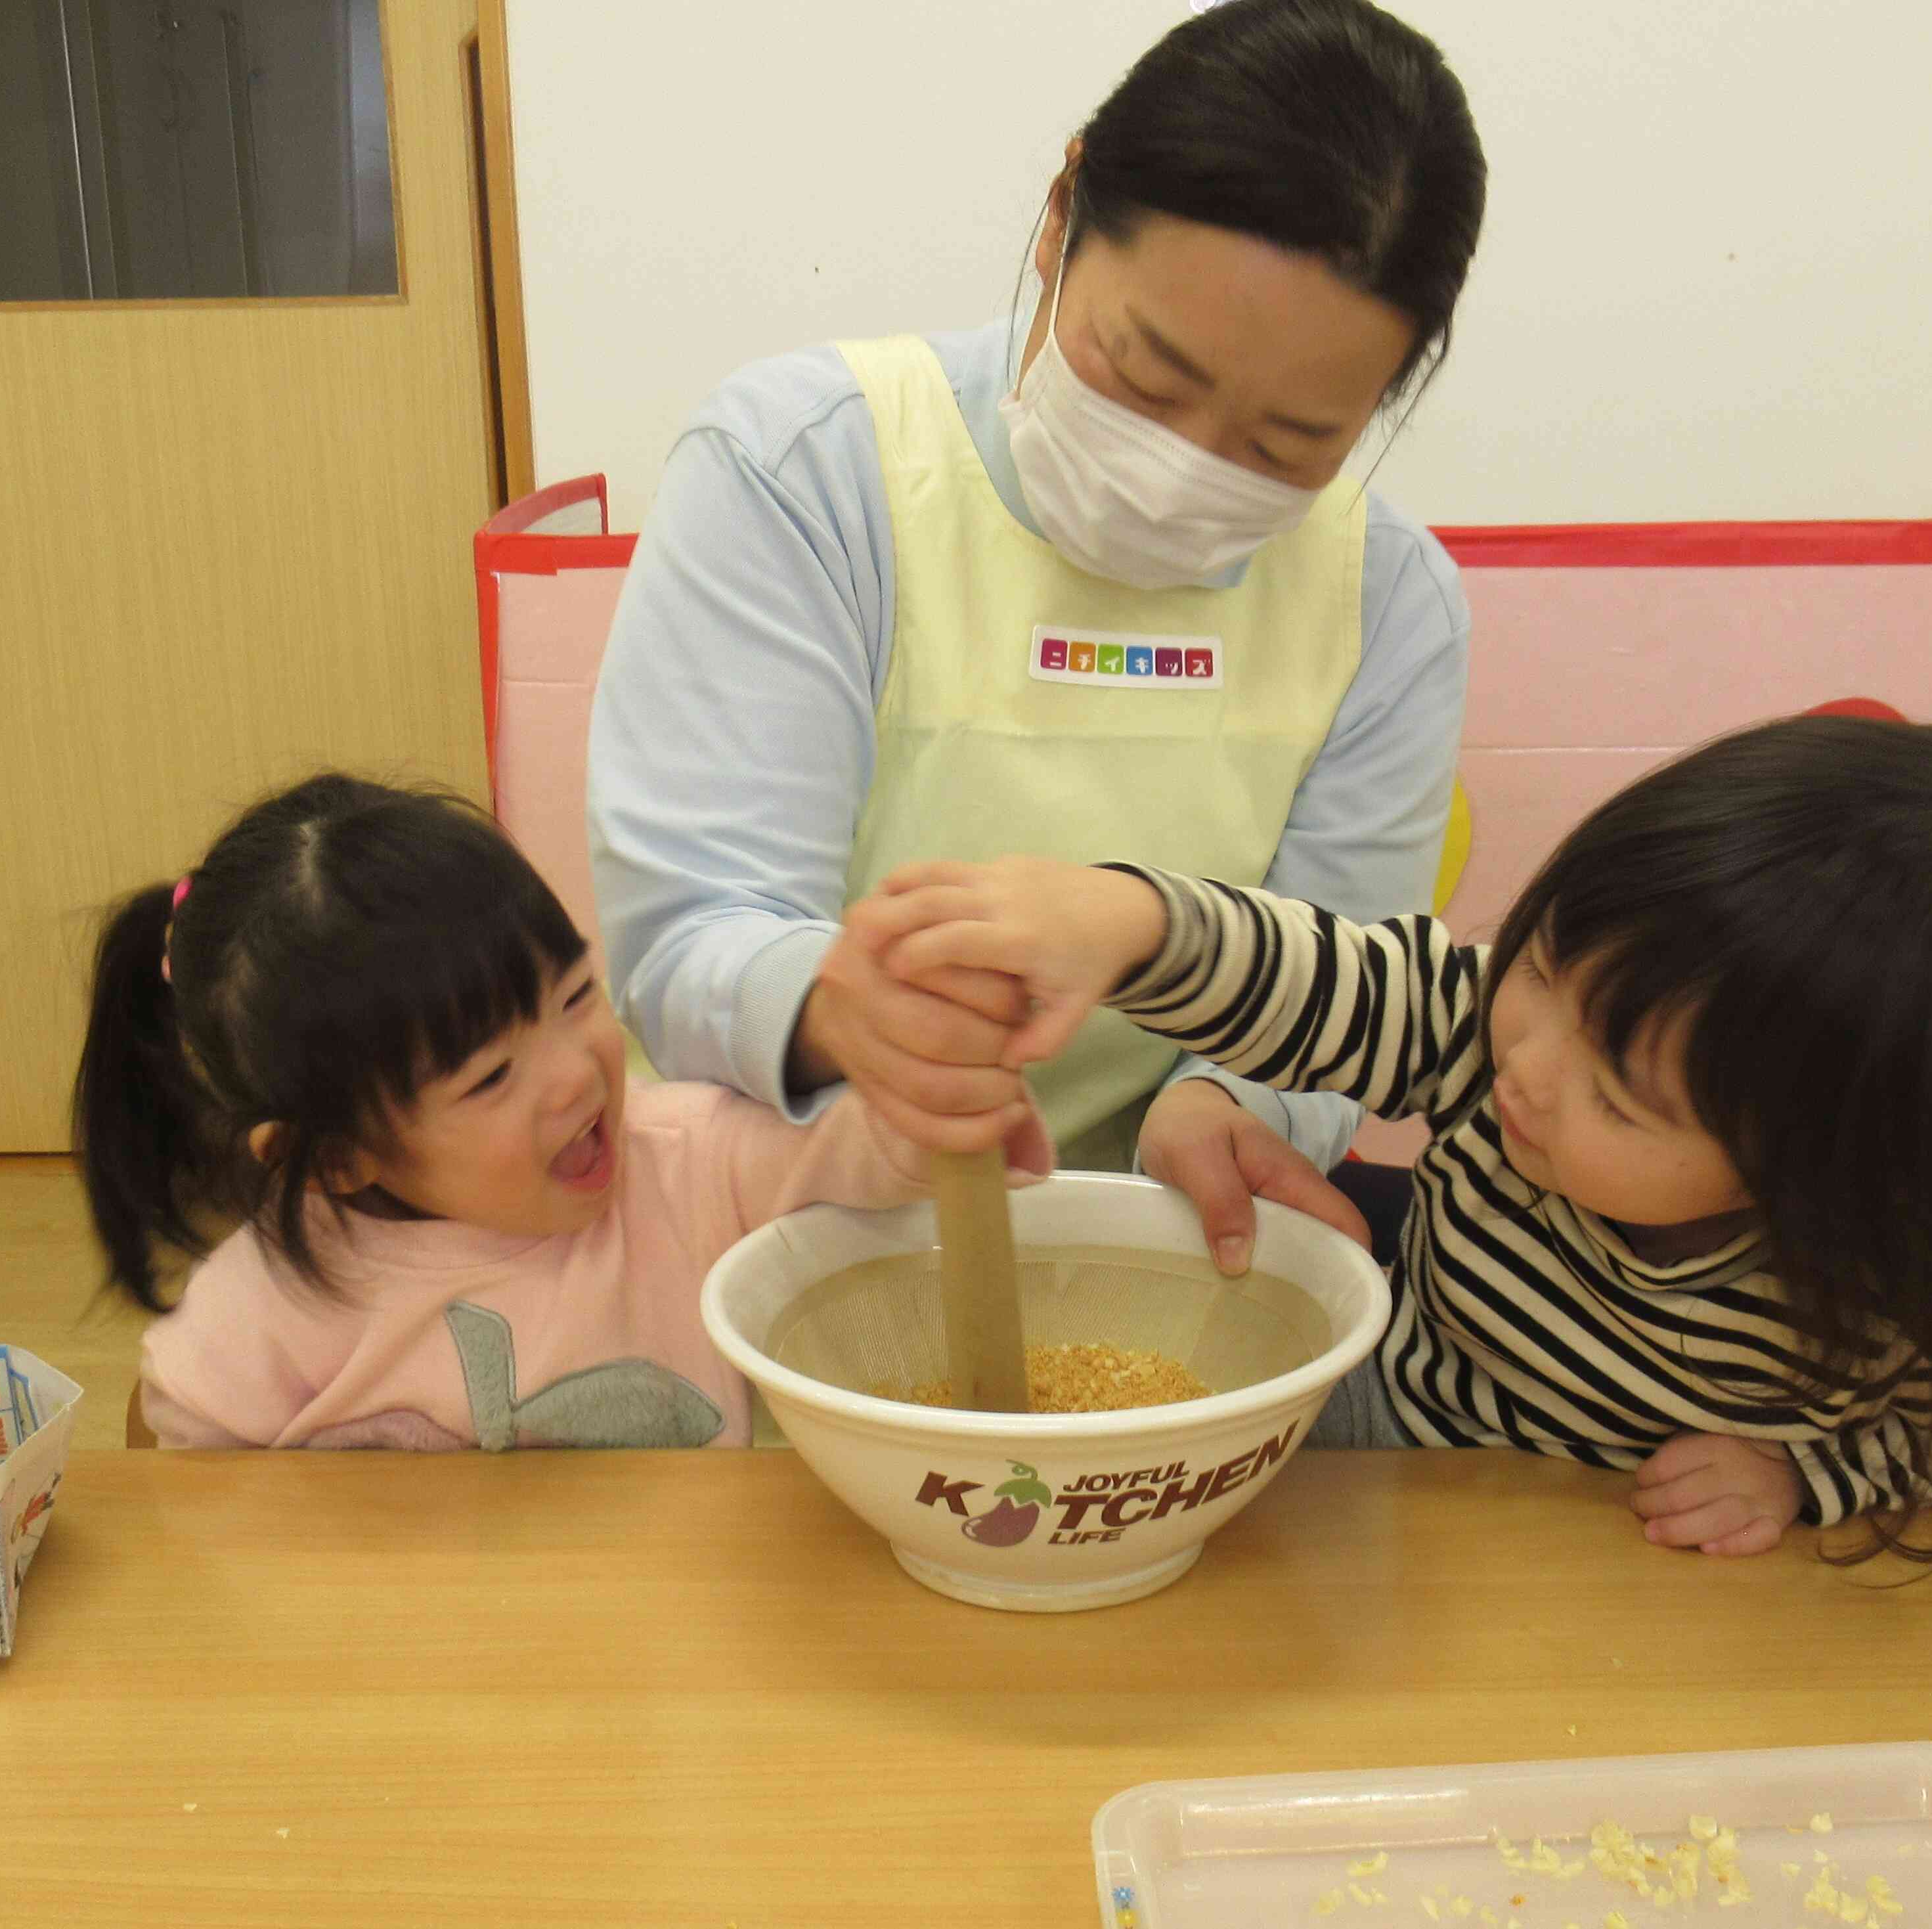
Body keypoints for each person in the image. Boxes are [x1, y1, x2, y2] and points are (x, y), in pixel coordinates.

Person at [588, 0, 1487, 1278]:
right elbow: (692, 929)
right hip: (779, 1222)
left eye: (1286, 443)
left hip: (1151, 1247)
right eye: (1147, 376)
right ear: (1063, 214)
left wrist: (1230, 1105)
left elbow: (1343, 992)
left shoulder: (1386, 601)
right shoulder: (807, 471)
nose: (1180, 473)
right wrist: (838, 1006)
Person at [843, 717, 1932, 1563]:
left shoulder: (1904, 1294)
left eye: (1620, 1100)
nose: (1524, 1066)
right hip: (1390, 1421)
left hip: (1604, 1555)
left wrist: (1804, 1473)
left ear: (1832, 1179)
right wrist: (1122, 925)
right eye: (1544, 961)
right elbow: (1315, 975)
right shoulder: (1491, 1035)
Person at [72, 775, 1044, 1451]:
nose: (576, 1075)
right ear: (337, 1159)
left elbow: (873, 1152)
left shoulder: (686, 1158)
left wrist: (942, 1073)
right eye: (492, 1076)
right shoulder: (273, 1302)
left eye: (576, 994)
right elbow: (185, 1476)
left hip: (668, 1647)